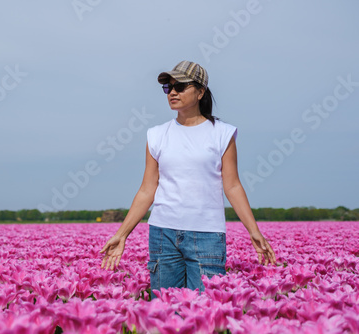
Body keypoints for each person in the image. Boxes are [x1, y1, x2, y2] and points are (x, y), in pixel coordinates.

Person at [99, 60, 276, 298]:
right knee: (163, 312)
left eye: (180, 86)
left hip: (207, 235)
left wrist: (253, 231)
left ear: (201, 91)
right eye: (168, 87)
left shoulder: (222, 133)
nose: (172, 92)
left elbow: (232, 185)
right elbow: (147, 190)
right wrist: (122, 235)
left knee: (205, 312)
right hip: (163, 234)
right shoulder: (156, 135)